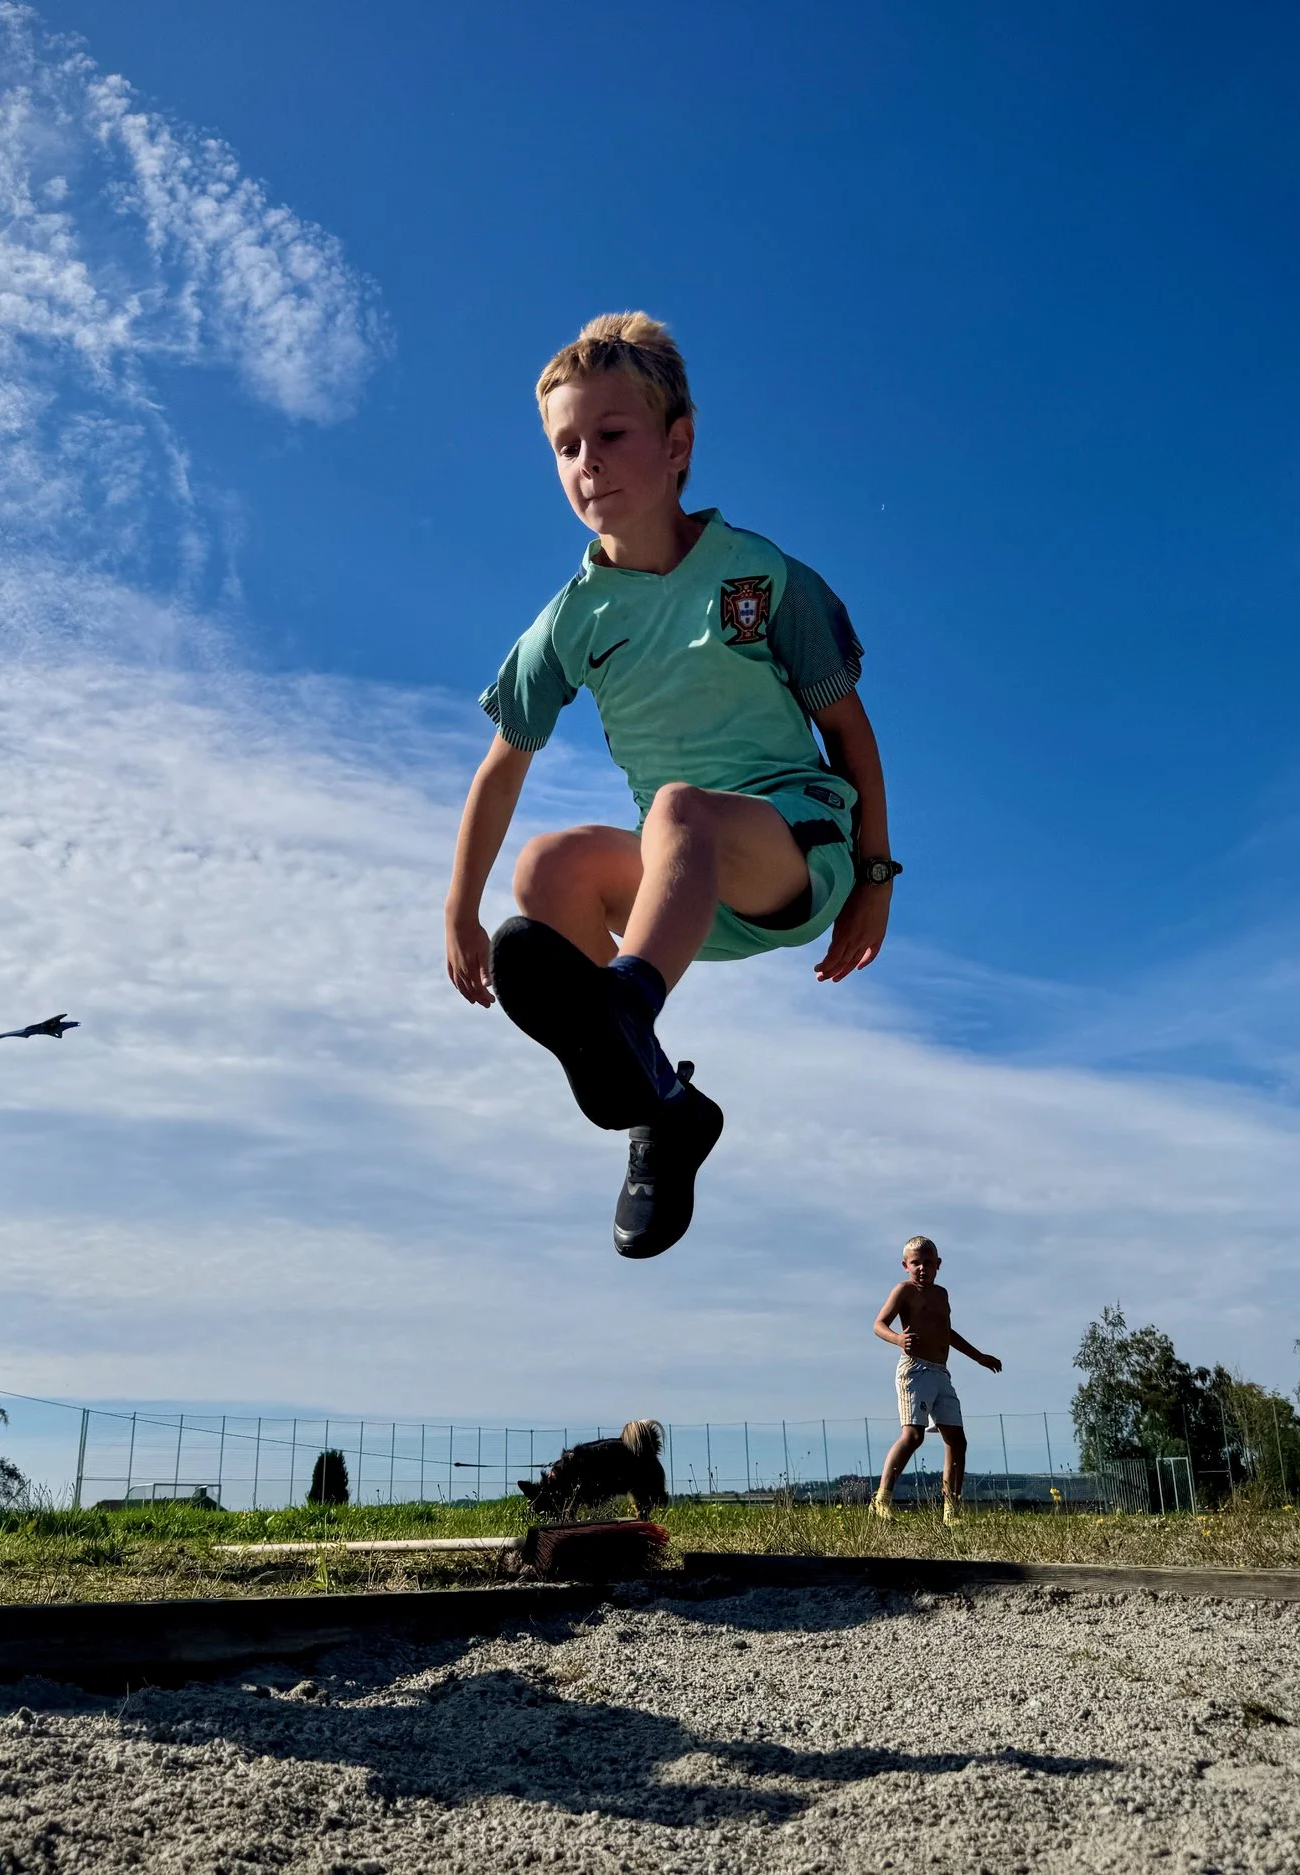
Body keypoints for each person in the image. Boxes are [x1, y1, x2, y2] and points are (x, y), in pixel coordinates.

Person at [445, 313, 898, 1259]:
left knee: (680, 807)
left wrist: (874, 879)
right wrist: (459, 911)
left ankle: (629, 1007)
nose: (587, 462)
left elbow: (850, 731)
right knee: (547, 869)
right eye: (566, 446)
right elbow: (502, 769)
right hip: (683, 886)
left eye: (610, 436)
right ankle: (663, 1106)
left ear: (677, 444)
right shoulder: (571, 621)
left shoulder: (763, 578)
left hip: (792, 846)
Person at [869, 1235, 1001, 1525]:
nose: (922, 1268)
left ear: (938, 1265)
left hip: (941, 1372)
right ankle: (881, 1499)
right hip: (914, 1370)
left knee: (957, 1440)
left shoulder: (941, 1295)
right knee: (913, 1435)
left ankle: (951, 1510)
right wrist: (898, 1339)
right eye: (916, 1263)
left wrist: (978, 1356)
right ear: (905, 1265)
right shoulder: (904, 1290)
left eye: (928, 1263)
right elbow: (879, 1325)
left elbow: (947, 1333)